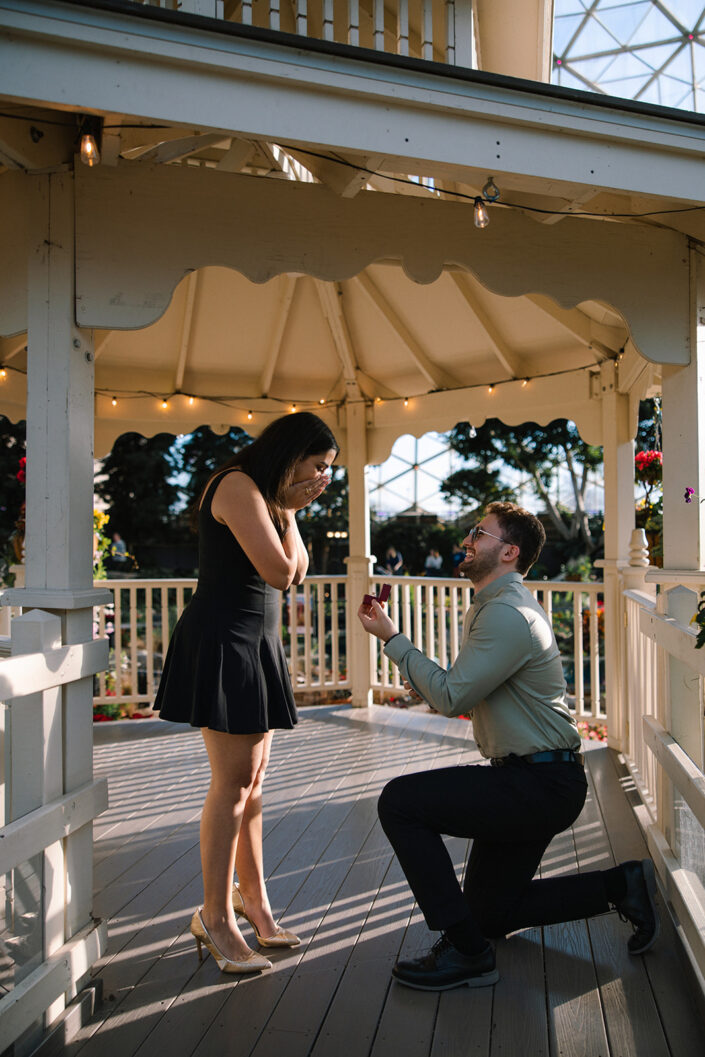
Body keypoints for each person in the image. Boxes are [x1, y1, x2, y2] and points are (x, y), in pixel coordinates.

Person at [358, 501, 659, 992]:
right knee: (490, 914)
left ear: (509, 552)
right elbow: (465, 691)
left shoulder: (507, 614)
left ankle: (466, 953)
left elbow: (453, 694)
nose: (467, 539)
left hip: (537, 782)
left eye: (480, 533)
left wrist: (393, 638)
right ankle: (621, 886)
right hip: (534, 778)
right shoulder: (498, 606)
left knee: (400, 803)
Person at [154, 412, 338, 975]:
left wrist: (290, 507)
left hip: (254, 642)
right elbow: (279, 574)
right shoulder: (235, 486)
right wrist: (290, 507)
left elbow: (299, 567)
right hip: (226, 641)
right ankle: (214, 916)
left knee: (253, 785)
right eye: (318, 465)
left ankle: (252, 901)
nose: (323, 478)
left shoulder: (266, 495)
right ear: (291, 453)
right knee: (232, 785)